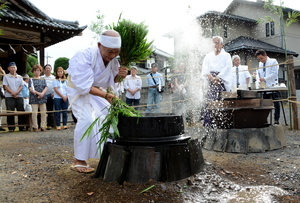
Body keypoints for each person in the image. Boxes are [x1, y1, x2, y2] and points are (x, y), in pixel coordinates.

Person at [67, 30, 127, 173]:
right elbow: (84, 86)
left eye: (116, 52)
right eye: (109, 52)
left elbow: (111, 82)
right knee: (87, 119)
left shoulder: (114, 61)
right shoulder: (84, 55)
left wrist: (120, 76)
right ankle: (79, 160)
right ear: (99, 45)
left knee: (108, 117)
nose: (112, 56)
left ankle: (104, 155)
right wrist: (106, 96)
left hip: (99, 91)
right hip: (78, 90)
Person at [201, 36, 232, 128]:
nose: (215, 45)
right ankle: (209, 123)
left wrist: (218, 78)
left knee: (219, 101)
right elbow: (205, 69)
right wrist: (211, 77)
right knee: (209, 100)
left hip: (221, 81)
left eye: (217, 42)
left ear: (222, 44)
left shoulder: (226, 55)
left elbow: (227, 68)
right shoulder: (208, 56)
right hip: (211, 81)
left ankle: (220, 123)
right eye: (214, 43)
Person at [255, 49, 280, 125]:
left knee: (276, 103)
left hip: (273, 85)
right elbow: (260, 73)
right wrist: (256, 75)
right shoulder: (260, 64)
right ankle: (264, 119)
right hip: (264, 86)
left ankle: (276, 119)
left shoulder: (273, 61)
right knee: (265, 103)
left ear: (265, 55)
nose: (260, 60)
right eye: (259, 59)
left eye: (261, 58)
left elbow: (274, 74)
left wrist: (265, 78)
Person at [3, 62, 26, 132]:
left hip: (19, 95)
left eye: (14, 67)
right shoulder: (6, 76)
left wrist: (16, 92)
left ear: (16, 68)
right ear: (8, 69)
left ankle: (21, 127)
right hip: (9, 96)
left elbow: (21, 86)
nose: (13, 69)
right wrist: (12, 93)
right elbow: (5, 86)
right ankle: (11, 127)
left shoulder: (20, 77)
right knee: (10, 111)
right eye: (11, 67)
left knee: (21, 111)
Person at [28, 64, 48, 132]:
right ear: (33, 71)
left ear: (40, 71)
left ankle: (43, 126)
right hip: (34, 98)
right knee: (34, 113)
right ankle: (35, 126)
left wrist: (42, 93)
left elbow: (46, 87)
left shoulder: (43, 79)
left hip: (42, 98)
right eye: (35, 70)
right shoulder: (31, 79)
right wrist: (38, 93)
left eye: (38, 70)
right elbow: (30, 89)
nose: (37, 72)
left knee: (43, 113)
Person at [41, 64, 55, 130]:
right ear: (44, 70)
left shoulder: (53, 78)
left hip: (51, 95)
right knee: (42, 110)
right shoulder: (42, 77)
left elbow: (56, 87)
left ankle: (50, 125)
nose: (47, 69)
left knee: (50, 110)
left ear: (51, 70)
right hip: (43, 95)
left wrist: (54, 93)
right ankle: (41, 125)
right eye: (46, 68)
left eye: (49, 68)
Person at [0, 64, 6, 131]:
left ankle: (0, 124)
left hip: (0, 91)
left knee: (0, 108)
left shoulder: (2, 72)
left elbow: (5, 76)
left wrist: (2, 71)